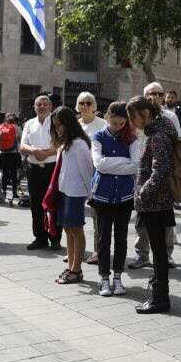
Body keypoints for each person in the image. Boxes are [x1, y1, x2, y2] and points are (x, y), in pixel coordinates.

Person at [128, 96, 178, 314]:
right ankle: (159, 293)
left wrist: (142, 193)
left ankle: (160, 297)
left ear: (145, 114)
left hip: (155, 203)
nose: (132, 121)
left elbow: (161, 170)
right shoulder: (156, 131)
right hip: (155, 203)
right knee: (158, 251)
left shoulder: (157, 136)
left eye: (133, 116)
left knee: (158, 252)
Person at [90, 101, 141, 296]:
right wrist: (123, 162)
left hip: (125, 195)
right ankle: (104, 277)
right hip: (102, 195)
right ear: (107, 117)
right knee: (103, 238)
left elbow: (136, 165)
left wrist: (112, 163)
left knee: (121, 238)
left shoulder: (132, 138)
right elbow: (99, 164)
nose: (118, 127)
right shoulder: (98, 137)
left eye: (121, 124)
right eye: (114, 123)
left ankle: (118, 277)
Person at [50, 106, 94, 284]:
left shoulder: (79, 143)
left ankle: (77, 269)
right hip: (64, 190)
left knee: (76, 229)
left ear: (69, 124)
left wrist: (90, 194)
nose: (58, 129)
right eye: (55, 126)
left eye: (60, 125)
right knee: (67, 229)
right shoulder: (66, 143)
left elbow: (87, 171)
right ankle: (70, 266)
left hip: (76, 192)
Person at [21, 95, 60, 250]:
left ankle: (55, 238)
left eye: (45, 104)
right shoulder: (29, 124)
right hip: (34, 169)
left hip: (52, 168)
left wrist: (47, 153)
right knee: (36, 205)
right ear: (34, 107)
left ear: (50, 106)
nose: (42, 107)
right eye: (39, 104)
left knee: (54, 204)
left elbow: (63, 144)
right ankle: (40, 238)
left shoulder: (57, 122)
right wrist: (34, 150)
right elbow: (23, 146)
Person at [76, 92, 107, 264]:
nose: (85, 106)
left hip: (96, 175)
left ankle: (98, 250)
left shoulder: (102, 124)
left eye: (89, 102)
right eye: (82, 103)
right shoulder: (75, 125)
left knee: (97, 216)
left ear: (94, 106)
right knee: (75, 214)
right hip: (77, 174)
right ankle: (77, 249)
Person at [0, 113, 22, 205]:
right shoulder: (17, 127)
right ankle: (14, 192)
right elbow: (21, 139)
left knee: (4, 173)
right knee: (13, 174)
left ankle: (4, 191)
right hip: (14, 154)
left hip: (3, 153)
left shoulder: (1, 127)